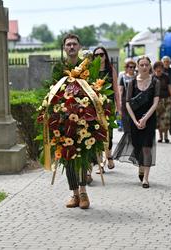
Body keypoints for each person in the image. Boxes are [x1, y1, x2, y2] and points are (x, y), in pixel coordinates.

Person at [52, 33, 90, 209]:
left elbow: (94, 92)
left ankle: (83, 193)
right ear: (64, 48)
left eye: (74, 44)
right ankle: (74, 194)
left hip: (84, 117)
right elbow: (52, 91)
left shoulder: (87, 67)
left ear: (79, 47)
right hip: (64, 118)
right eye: (68, 44)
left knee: (81, 155)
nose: (72, 47)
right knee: (67, 155)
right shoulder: (58, 68)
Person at [113, 56, 160, 188]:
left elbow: (156, 103)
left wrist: (145, 119)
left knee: (147, 147)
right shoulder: (132, 82)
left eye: (147, 65)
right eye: (142, 65)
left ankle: (146, 178)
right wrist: (135, 120)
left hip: (149, 118)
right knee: (137, 145)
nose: (144, 67)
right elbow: (127, 103)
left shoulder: (155, 81)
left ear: (150, 66)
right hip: (133, 119)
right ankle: (141, 165)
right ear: (138, 67)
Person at [92, 46, 121, 173]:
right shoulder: (91, 71)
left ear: (105, 55)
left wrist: (119, 107)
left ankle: (109, 156)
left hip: (109, 106)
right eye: (96, 55)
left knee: (108, 133)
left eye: (102, 54)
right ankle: (100, 164)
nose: (99, 57)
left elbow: (116, 90)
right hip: (95, 107)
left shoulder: (111, 70)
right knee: (97, 134)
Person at [153, 61, 171, 143]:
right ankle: (160, 136)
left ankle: (166, 136)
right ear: (155, 69)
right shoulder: (152, 78)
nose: (159, 69)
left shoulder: (166, 77)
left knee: (166, 118)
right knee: (159, 119)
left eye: (161, 68)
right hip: (157, 101)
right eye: (157, 68)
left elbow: (170, 88)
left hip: (167, 100)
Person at [118, 58, 136, 134]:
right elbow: (121, 90)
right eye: (130, 67)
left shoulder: (137, 77)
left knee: (133, 118)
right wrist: (120, 103)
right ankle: (127, 134)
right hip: (125, 100)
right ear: (127, 68)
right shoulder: (123, 77)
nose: (132, 69)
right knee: (125, 119)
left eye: (133, 67)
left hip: (135, 100)